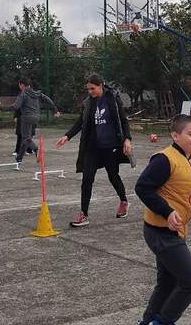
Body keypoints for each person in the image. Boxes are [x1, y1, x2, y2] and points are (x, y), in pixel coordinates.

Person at [134, 115, 191, 325]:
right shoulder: (164, 159)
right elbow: (143, 187)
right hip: (159, 231)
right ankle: (161, 322)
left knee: (167, 283)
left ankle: (147, 322)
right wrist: (168, 211)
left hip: (177, 231)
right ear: (175, 136)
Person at [56, 74, 133, 227]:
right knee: (87, 179)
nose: (90, 92)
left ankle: (124, 201)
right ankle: (83, 214)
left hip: (110, 146)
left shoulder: (112, 99)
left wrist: (127, 139)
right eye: (88, 89)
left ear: (101, 85)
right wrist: (67, 136)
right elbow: (80, 121)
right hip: (92, 147)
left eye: (93, 88)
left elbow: (123, 121)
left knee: (113, 176)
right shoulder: (88, 103)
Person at [2, 78, 60, 164]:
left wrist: (1, 107)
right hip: (36, 117)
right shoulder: (37, 93)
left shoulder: (23, 94)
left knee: (26, 138)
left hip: (27, 117)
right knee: (26, 138)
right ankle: (19, 158)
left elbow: (15, 107)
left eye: (19, 85)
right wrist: (55, 109)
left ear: (22, 85)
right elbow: (48, 99)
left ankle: (36, 149)